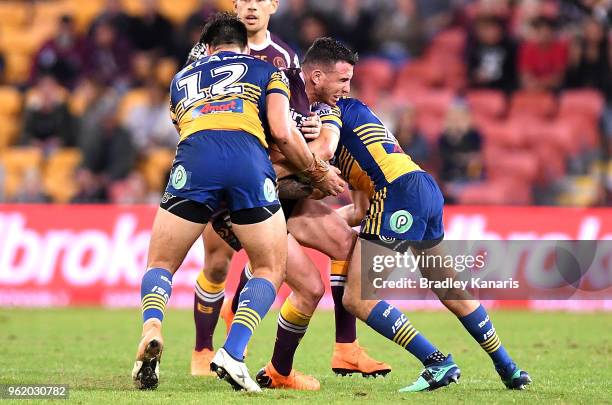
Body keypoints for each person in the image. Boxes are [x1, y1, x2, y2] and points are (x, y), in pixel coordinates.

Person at [131, 12, 343, 393]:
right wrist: (315, 172)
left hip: (195, 161)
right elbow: (281, 130)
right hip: (248, 162)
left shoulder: (181, 79)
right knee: (268, 267)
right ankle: (233, 351)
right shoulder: (267, 70)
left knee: (161, 263)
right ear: (245, 47)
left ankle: (152, 328)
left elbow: (183, 125)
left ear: (209, 48)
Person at [305, 37, 531, 392]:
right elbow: (362, 210)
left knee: (356, 298)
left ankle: (437, 362)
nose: (346, 88)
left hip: (396, 193)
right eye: (343, 81)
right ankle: (509, 368)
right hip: (422, 187)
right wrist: (323, 224)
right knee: (450, 288)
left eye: (349, 82)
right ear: (317, 76)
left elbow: (325, 147)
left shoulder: (326, 110)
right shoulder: (361, 117)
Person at [190, 0, 390, 386]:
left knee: (349, 249)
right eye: (343, 82)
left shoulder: (288, 65)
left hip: (282, 197)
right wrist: (314, 172)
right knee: (227, 265)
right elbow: (276, 148)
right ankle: (220, 344)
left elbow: (311, 141)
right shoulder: (223, 60)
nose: (346, 91)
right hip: (240, 189)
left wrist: (317, 162)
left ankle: (343, 347)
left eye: (258, 0)